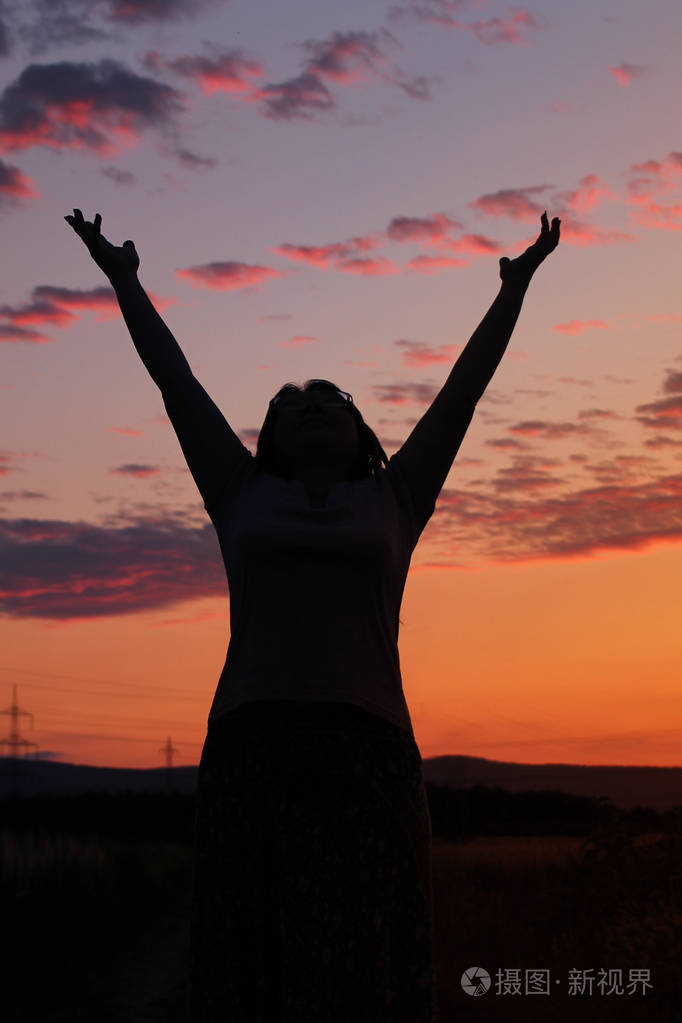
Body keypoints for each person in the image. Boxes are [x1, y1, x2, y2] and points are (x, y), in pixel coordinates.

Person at [65, 206, 560, 1022]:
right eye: (294, 406)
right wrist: (124, 278)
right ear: (272, 438)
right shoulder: (239, 491)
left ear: (361, 428)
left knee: (367, 964)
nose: (314, 408)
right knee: (248, 964)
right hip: (252, 751)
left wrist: (516, 287)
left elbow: (465, 391)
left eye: (330, 399)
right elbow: (175, 384)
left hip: (369, 755)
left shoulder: (395, 495)